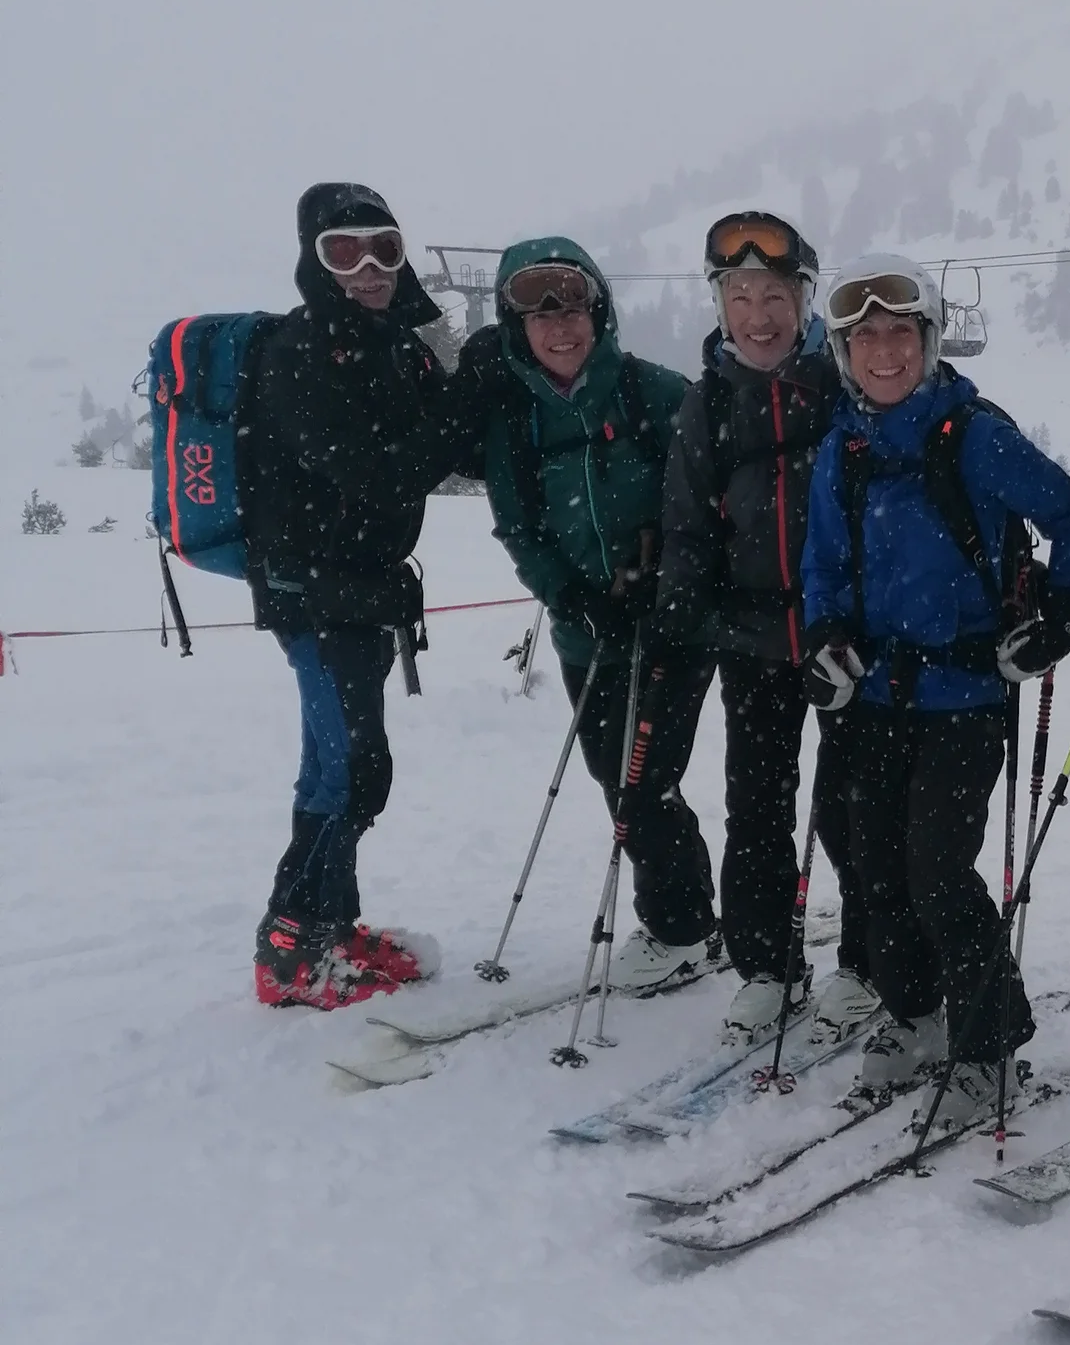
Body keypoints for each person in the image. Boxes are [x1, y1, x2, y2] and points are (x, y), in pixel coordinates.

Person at [802, 256, 1070, 1133]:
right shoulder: (843, 448)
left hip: (966, 694)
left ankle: (985, 1042)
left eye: (901, 332)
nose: (884, 351)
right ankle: (914, 1010)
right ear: (844, 351)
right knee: (871, 863)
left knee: (935, 869)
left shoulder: (974, 435)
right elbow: (823, 564)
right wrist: (825, 636)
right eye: (865, 337)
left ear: (928, 341)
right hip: (874, 696)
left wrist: (1057, 615)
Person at [464, 238, 720, 992]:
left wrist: (671, 580)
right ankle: (692, 912)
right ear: (518, 328)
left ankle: (679, 929)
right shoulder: (515, 421)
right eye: (540, 316)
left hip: (672, 630)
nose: (560, 328)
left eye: (573, 309)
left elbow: (711, 498)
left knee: (644, 780)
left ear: (598, 313)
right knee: (615, 776)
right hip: (585, 635)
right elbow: (519, 528)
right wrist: (571, 597)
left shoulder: (654, 393)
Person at [656, 212, 881, 1045]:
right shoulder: (706, 403)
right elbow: (686, 525)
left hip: (844, 638)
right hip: (750, 640)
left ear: (804, 301)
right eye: (741, 295)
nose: (760, 315)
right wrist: (682, 604)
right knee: (756, 809)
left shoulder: (844, 386)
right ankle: (767, 968)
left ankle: (869, 960)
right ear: (719, 305)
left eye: (776, 295)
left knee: (855, 808)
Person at [248, 182, 464, 1007]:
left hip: (364, 591)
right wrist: (454, 414)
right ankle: (290, 946)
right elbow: (374, 470)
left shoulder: (394, 346)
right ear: (316, 260)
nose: (369, 267)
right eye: (345, 250)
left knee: (339, 764)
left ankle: (328, 926)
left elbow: (450, 441)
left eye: (385, 248)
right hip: (312, 594)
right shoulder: (299, 351)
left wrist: (471, 382)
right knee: (350, 768)